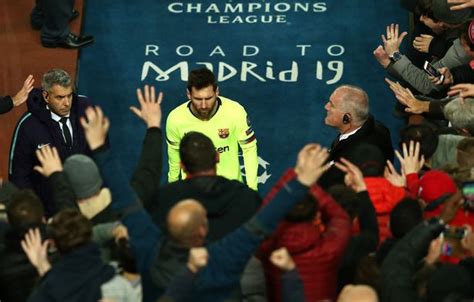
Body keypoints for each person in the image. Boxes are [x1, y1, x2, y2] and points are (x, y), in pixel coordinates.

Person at [80, 104, 330, 301]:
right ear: (203, 229)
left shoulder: (147, 247)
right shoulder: (225, 257)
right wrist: (300, 181)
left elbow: (127, 202)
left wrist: (100, 148)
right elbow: (262, 222)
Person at [8, 68, 93, 216]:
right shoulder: (28, 126)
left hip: (86, 204)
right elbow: (19, 176)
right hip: (48, 211)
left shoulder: (85, 109)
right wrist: (34, 213)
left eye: (69, 96)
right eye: (60, 97)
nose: (66, 103)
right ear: (46, 96)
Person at [166, 67, 259, 190]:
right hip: (193, 190)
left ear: (217, 92)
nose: (203, 105)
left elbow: (249, 149)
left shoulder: (235, 112)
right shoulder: (175, 119)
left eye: (208, 98)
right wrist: (173, 187)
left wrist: (252, 188)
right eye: (198, 99)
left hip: (229, 189)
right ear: (189, 94)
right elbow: (174, 156)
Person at [318, 85, 394, 189]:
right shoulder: (378, 128)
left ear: (347, 118)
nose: (326, 107)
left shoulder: (354, 157)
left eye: (332, 105)